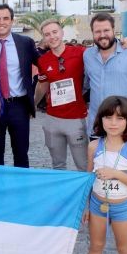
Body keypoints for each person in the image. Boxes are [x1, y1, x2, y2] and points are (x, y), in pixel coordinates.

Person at [84, 12, 127, 237]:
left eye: (106, 30)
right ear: (92, 33)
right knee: (99, 170)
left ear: (114, 30)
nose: (102, 35)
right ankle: (102, 209)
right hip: (98, 126)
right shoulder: (88, 56)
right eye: (97, 31)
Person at [0, 4, 39, 168]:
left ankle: (21, 189)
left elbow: (43, 63)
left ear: (12, 21)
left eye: (5, 18)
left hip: (19, 105)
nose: (1, 22)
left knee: (21, 152)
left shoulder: (25, 42)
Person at [84, 96, 127, 254]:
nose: (113, 123)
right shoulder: (93, 146)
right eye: (108, 117)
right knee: (96, 247)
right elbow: (88, 179)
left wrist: (116, 174)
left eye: (119, 118)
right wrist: (85, 206)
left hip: (122, 207)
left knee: (124, 250)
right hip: (97, 204)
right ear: (100, 119)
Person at [34, 19, 88, 171]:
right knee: (57, 166)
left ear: (62, 32)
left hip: (76, 119)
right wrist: (33, 103)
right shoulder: (43, 61)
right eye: (47, 34)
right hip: (52, 120)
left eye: (54, 32)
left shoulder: (81, 53)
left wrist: (122, 46)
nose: (52, 37)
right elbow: (43, 85)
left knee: (83, 165)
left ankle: (87, 195)